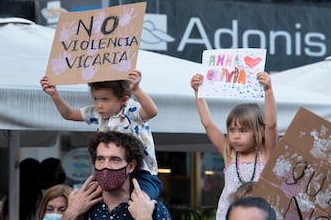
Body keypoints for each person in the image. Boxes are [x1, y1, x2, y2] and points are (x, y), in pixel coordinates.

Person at [40, 69, 162, 199]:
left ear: (123, 99)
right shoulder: (97, 113)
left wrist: (136, 89)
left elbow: (151, 112)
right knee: (89, 199)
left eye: (105, 99)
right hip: (109, 171)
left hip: (141, 172)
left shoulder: (130, 109)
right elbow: (69, 114)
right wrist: (55, 95)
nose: (99, 105)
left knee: (143, 200)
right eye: (95, 99)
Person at [190, 72, 278, 220]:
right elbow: (208, 124)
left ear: (258, 130)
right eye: (231, 130)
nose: (235, 135)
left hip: (258, 215)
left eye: (243, 130)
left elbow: (271, 125)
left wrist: (268, 91)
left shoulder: (265, 152)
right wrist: (198, 92)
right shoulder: (229, 153)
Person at [62, 131, 171, 220]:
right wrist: (70, 214)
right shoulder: (83, 207)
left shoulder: (151, 208)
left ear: (131, 166)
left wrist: (144, 218)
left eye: (114, 160)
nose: (105, 166)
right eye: (100, 159)